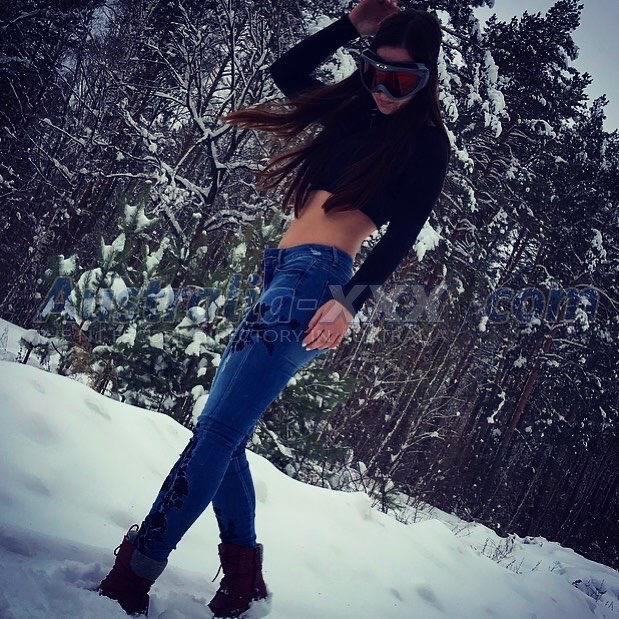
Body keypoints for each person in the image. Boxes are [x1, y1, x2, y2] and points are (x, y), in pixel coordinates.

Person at [96, 0, 451, 616]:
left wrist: (348, 304)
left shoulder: (425, 143)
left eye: (403, 80)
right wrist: (350, 26)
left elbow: (401, 237)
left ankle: (135, 572)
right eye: (377, 72)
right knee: (223, 432)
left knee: (216, 432)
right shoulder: (356, 107)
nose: (385, 90)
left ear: (426, 78)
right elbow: (286, 71)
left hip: (316, 283)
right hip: (283, 272)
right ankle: (243, 579)